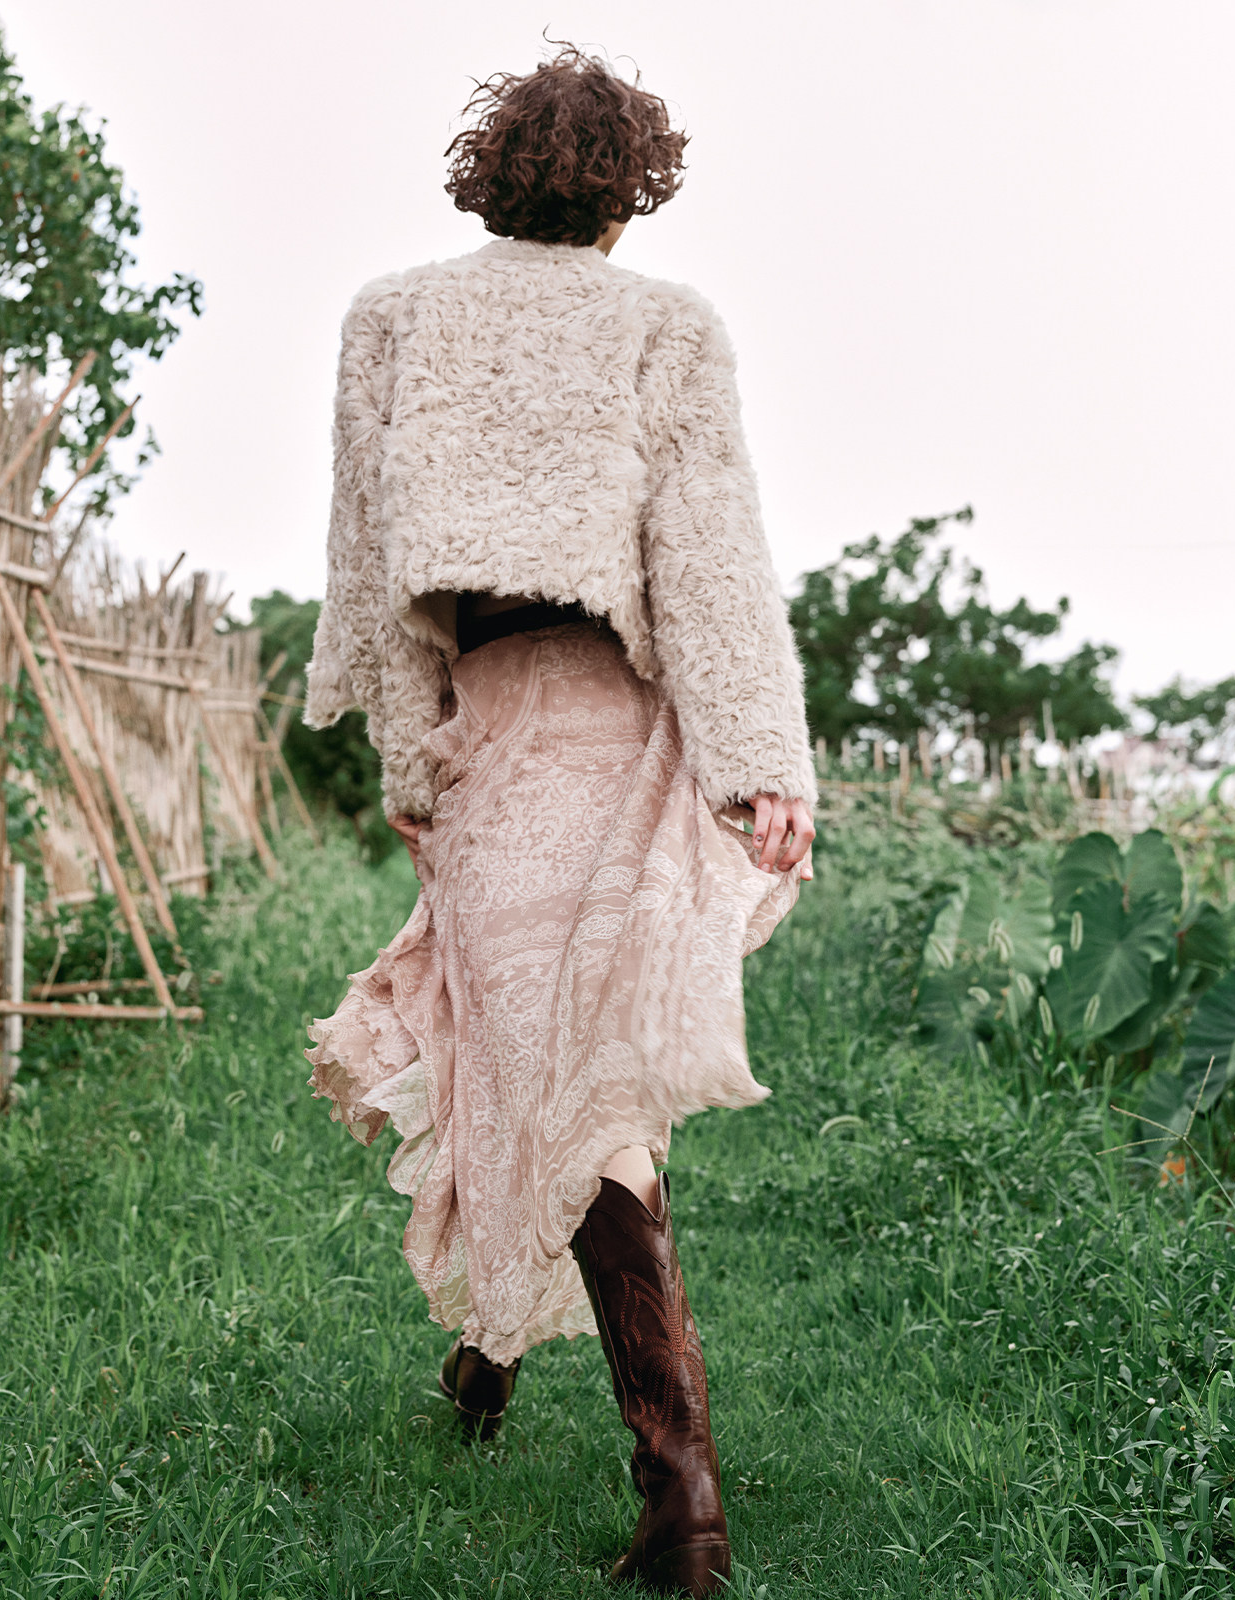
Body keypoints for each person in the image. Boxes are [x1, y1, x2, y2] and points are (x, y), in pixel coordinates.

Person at [303, 46, 816, 1598]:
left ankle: (681, 1506)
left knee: (543, 1061)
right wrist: (759, 763)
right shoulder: (668, 324)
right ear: (627, 194)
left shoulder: (391, 316)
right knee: (555, 1061)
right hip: (626, 731)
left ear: (491, 178)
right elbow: (709, 552)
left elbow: (371, 561)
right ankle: (508, 1369)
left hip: (495, 732)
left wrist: (412, 761)